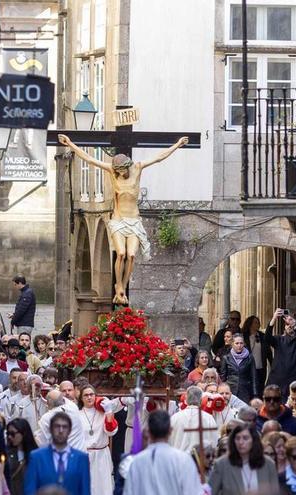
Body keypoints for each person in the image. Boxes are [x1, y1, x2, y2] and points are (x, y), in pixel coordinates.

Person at [58, 134, 189, 304]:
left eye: (123, 170)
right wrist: (69, 143)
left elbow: (158, 158)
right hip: (118, 221)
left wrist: (177, 144)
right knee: (121, 253)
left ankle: (123, 286)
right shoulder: (112, 172)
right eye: (118, 171)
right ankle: (118, 285)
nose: (121, 173)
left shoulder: (138, 168)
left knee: (132, 255)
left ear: (128, 166)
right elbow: (89, 159)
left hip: (134, 221)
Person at [122, 410, 203, 495]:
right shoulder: (184, 460)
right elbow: (193, 491)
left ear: (148, 432)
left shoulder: (136, 462)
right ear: (170, 431)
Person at [23, 412, 91, 495]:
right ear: (50, 429)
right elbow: (30, 490)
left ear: (70, 430)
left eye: (65, 427)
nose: (61, 431)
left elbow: (85, 490)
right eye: (57, 426)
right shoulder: (36, 457)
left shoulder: (81, 458)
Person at [208, 422, 280, 494]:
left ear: (253, 440)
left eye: (245, 438)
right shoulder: (221, 464)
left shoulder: (268, 464)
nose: (241, 442)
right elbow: (210, 492)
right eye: (237, 438)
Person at [77, 385, 118, 494]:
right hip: (85, 454)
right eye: (86, 395)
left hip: (101, 455)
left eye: (91, 394)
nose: (89, 397)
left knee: (103, 486)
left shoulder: (103, 412)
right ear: (81, 398)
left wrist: (109, 412)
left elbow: (111, 431)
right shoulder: (77, 414)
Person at [265, 309, 296, 402]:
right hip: (277, 380)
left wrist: (294, 325)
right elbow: (267, 337)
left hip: (293, 380)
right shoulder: (279, 339)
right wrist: (274, 318)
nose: (289, 327)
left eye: (291, 325)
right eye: (287, 325)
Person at [170, 386, 218, 452]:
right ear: (201, 400)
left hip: (179, 456)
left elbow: (169, 440)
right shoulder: (208, 418)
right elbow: (214, 441)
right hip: (201, 456)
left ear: (186, 400)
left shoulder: (175, 418)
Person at [219, 334, 257, 404]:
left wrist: (255, 394)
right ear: (232, 344)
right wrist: (221, 391)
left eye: (241, 343)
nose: (239, 345)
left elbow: (254, 377)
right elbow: (223, 377)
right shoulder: (226, 358)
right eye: (237, 343)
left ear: (244, 344)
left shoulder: (250, 358)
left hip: (245, 390)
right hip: (231, 390)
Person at [6, 418, 38, 495]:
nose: (9, 437)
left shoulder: (35, 455)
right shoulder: (6, 454)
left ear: (23, 433)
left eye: (12, 433)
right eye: (8, 433)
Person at [242, 315, 271, 397]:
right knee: (250, 388)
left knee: (260, 388)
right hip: (248, 367)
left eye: (258, 322)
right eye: (255, 322)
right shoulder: (244, 336)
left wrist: (272, 364)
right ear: (250, 324)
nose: (258, 324)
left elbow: (268, 351)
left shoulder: (262, 336)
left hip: (261, 367)